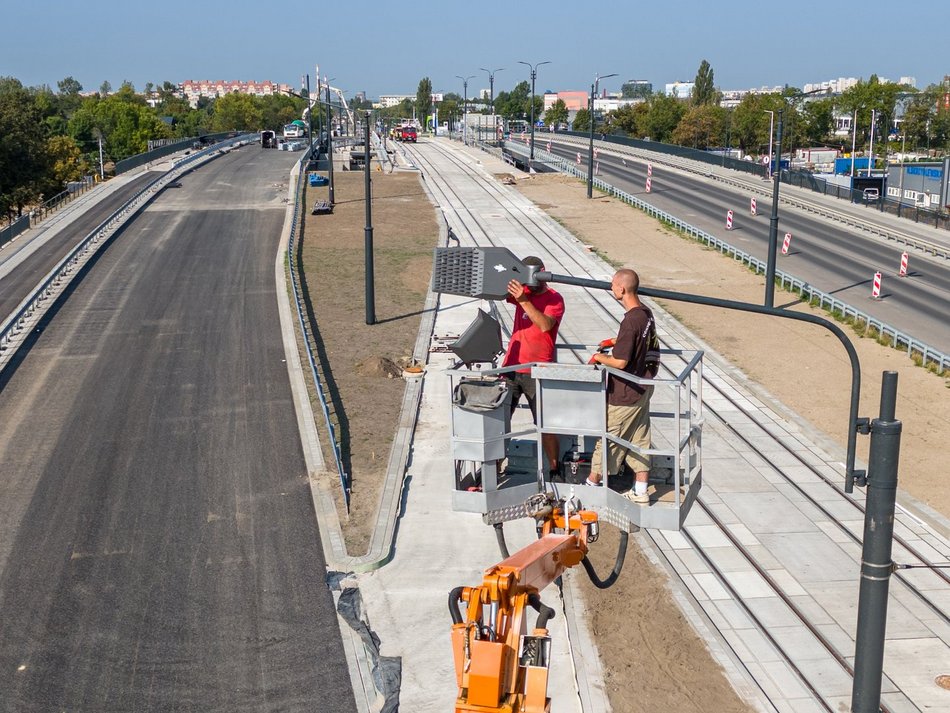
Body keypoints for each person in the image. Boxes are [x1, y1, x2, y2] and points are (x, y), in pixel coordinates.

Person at [587, 268, 660, 503]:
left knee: (609, 439)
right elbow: (637, 339)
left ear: (622, 288)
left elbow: (620, 362)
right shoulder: (645, 313)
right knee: (639, 438)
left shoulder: (630, 321)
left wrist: (598, 357)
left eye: (613, 284)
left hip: (625, 393)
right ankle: (641, 490)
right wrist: (613, 341)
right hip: (643, 386)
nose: (611, 288)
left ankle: (591, 485)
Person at [500, 256, 565, 476]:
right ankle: (494, 466)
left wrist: (523, 300)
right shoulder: (523, 290)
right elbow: (499, 291)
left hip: (538, 370)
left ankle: (555, 470)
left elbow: (545, 325)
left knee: (546, 425)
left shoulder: (554, 298)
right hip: (511, 367)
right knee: (499, 421)